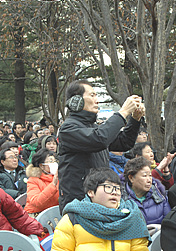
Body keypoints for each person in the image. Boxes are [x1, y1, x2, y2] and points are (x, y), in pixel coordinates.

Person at [57, 80, 144, 212]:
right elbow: (100, 139)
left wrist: (135, 119)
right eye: (92, 95)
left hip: (100, 197)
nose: (97, 100)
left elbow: (124, 142)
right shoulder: (68, 128)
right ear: (75, 100)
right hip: (79, 201)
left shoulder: (93, 127)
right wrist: (123, 112)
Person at [122, 157, 171, 225]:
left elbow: (169, 221)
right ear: (131, 178)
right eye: (144, 176)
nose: (149, 180)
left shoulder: (159, 195)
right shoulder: (121, 199)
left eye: (150, 175)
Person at [24, 149, 59, 215]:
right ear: (41, 166)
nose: (54, 164)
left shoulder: (57, 177)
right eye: (50, 161)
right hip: (36, 215)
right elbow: (37, 202)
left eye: (55, 161)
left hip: (54, 213)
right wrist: (53, 184)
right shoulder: (33, 180)